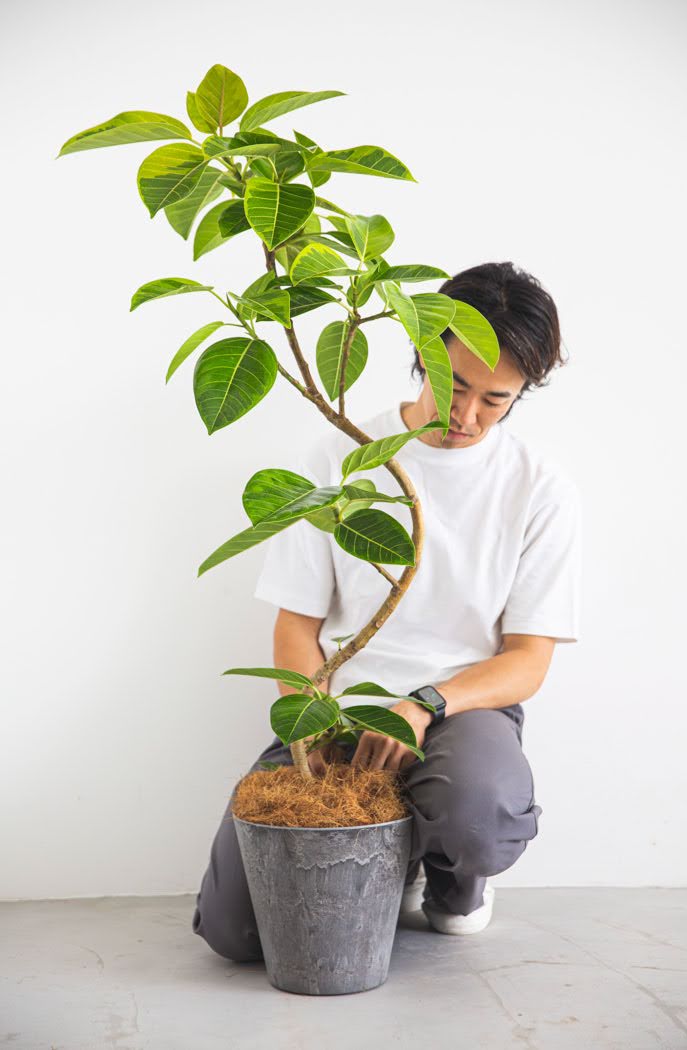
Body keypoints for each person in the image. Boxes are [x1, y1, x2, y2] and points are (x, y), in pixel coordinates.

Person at [192, 261, 582, 960]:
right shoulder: (342, 458)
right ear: (418, 347)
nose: (465, 417)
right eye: (452, 385)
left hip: (465, 711)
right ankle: (386, 853)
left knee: (477, 813)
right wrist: (311, 735)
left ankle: (452, 880)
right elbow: (297, 627)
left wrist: (421, 704)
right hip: (338, 709)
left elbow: (527, 660)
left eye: (496, 400)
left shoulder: (539, 489)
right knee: (236, 932)